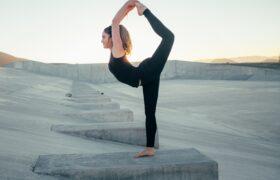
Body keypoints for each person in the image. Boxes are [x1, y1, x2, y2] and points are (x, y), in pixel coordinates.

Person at [101, 0, 175, 158]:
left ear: (113, 38)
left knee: (169, 37)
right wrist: (129, 8)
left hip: (146, 72)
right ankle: (149, 148)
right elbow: (116, 24)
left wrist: (131, 3)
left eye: (104, 36)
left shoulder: (117, 49)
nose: (101, 39)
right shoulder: (114, 52)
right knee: (150, 113)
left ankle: (146, 11)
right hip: (147, 78)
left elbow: (115, 22)